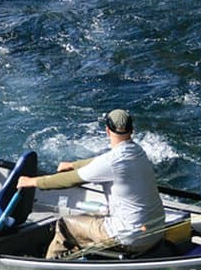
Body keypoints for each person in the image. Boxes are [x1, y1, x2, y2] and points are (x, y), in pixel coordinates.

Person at [17, 109, 165, 259]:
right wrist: (73, 165)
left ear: (107, 130)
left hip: (129, 239)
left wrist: (32, 181)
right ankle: (77, 253)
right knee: (91, 217)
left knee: (65, 225)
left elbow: (69, 180)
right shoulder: (138, 152)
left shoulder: (112, 161)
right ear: (132, 130)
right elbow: (100, 161)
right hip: (155, 232)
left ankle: (47, 269)